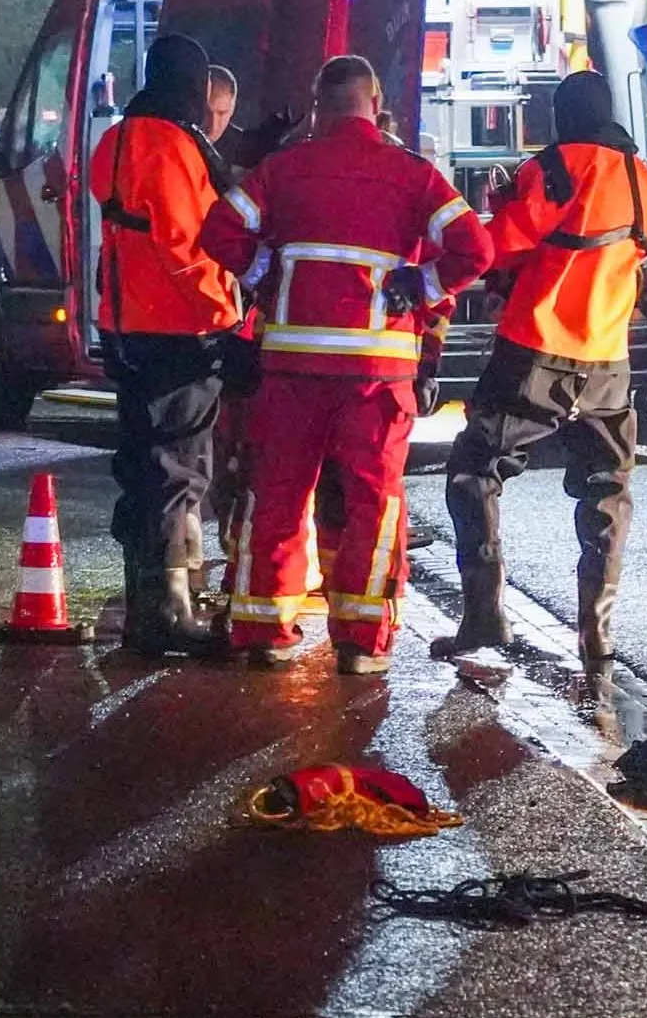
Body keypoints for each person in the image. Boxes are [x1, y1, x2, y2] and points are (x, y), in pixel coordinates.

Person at [200, 55, 491, 674]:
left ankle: (261, 631)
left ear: (316, 106)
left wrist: (261, 270)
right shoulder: (413, 175)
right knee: (373, 502)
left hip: (290, 371)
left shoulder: (283, 169)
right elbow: (477, 248)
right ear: (376, 101)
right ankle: (361, 643)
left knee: (276, 494)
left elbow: (219, 228)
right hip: (375, 374)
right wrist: (422, 282)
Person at [436, 70, 647, 662]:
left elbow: (503, 248)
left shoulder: (553, 168)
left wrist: (500, 212)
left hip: (534, 350)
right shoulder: (644, 180)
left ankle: (485, 618)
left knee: (474, 470)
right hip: (608, 362)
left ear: (561, 114)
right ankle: (596, 633)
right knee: (608, 487)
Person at [89, 36, 238, 657]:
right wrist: (228, 316)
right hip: (178, 328)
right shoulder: (174, 146)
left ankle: (150, 604)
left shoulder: (118, 137)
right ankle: (167, 615)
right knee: (178, 470)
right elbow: (183, 245)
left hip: (125, 323)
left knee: (145, 466)